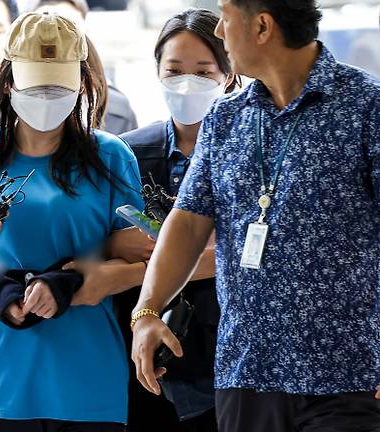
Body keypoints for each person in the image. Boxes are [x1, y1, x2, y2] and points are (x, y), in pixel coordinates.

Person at [131, 1, 380, 431]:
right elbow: (188, 222)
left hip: (348, 376)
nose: (222, 34)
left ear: (262, 26)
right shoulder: (225, 120)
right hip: (247, 372)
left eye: (226, 19)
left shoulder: (366, 108)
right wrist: (147, 310)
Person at [0, 12, 144, 431]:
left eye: (59, 86)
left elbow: (141, 256)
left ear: (81, 84)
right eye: (36, 85)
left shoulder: (111, 156)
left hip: (87, 375)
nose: (47, 97)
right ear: (9, 81)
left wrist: (83, 280)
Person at [117, 9, 238, 431]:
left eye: (203, 72)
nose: (187, 83)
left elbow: (249, 252)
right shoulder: (127, 152)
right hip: (146, 348)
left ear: (228, 74)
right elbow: (106, 240)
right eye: (174, 70)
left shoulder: (247, 149)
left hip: (231, 346)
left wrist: (154, 262)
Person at [32, 0, 139, 134]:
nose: (57, 38)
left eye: (69, 29)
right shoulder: (10, 101)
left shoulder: (117, 111)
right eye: (44, 28)